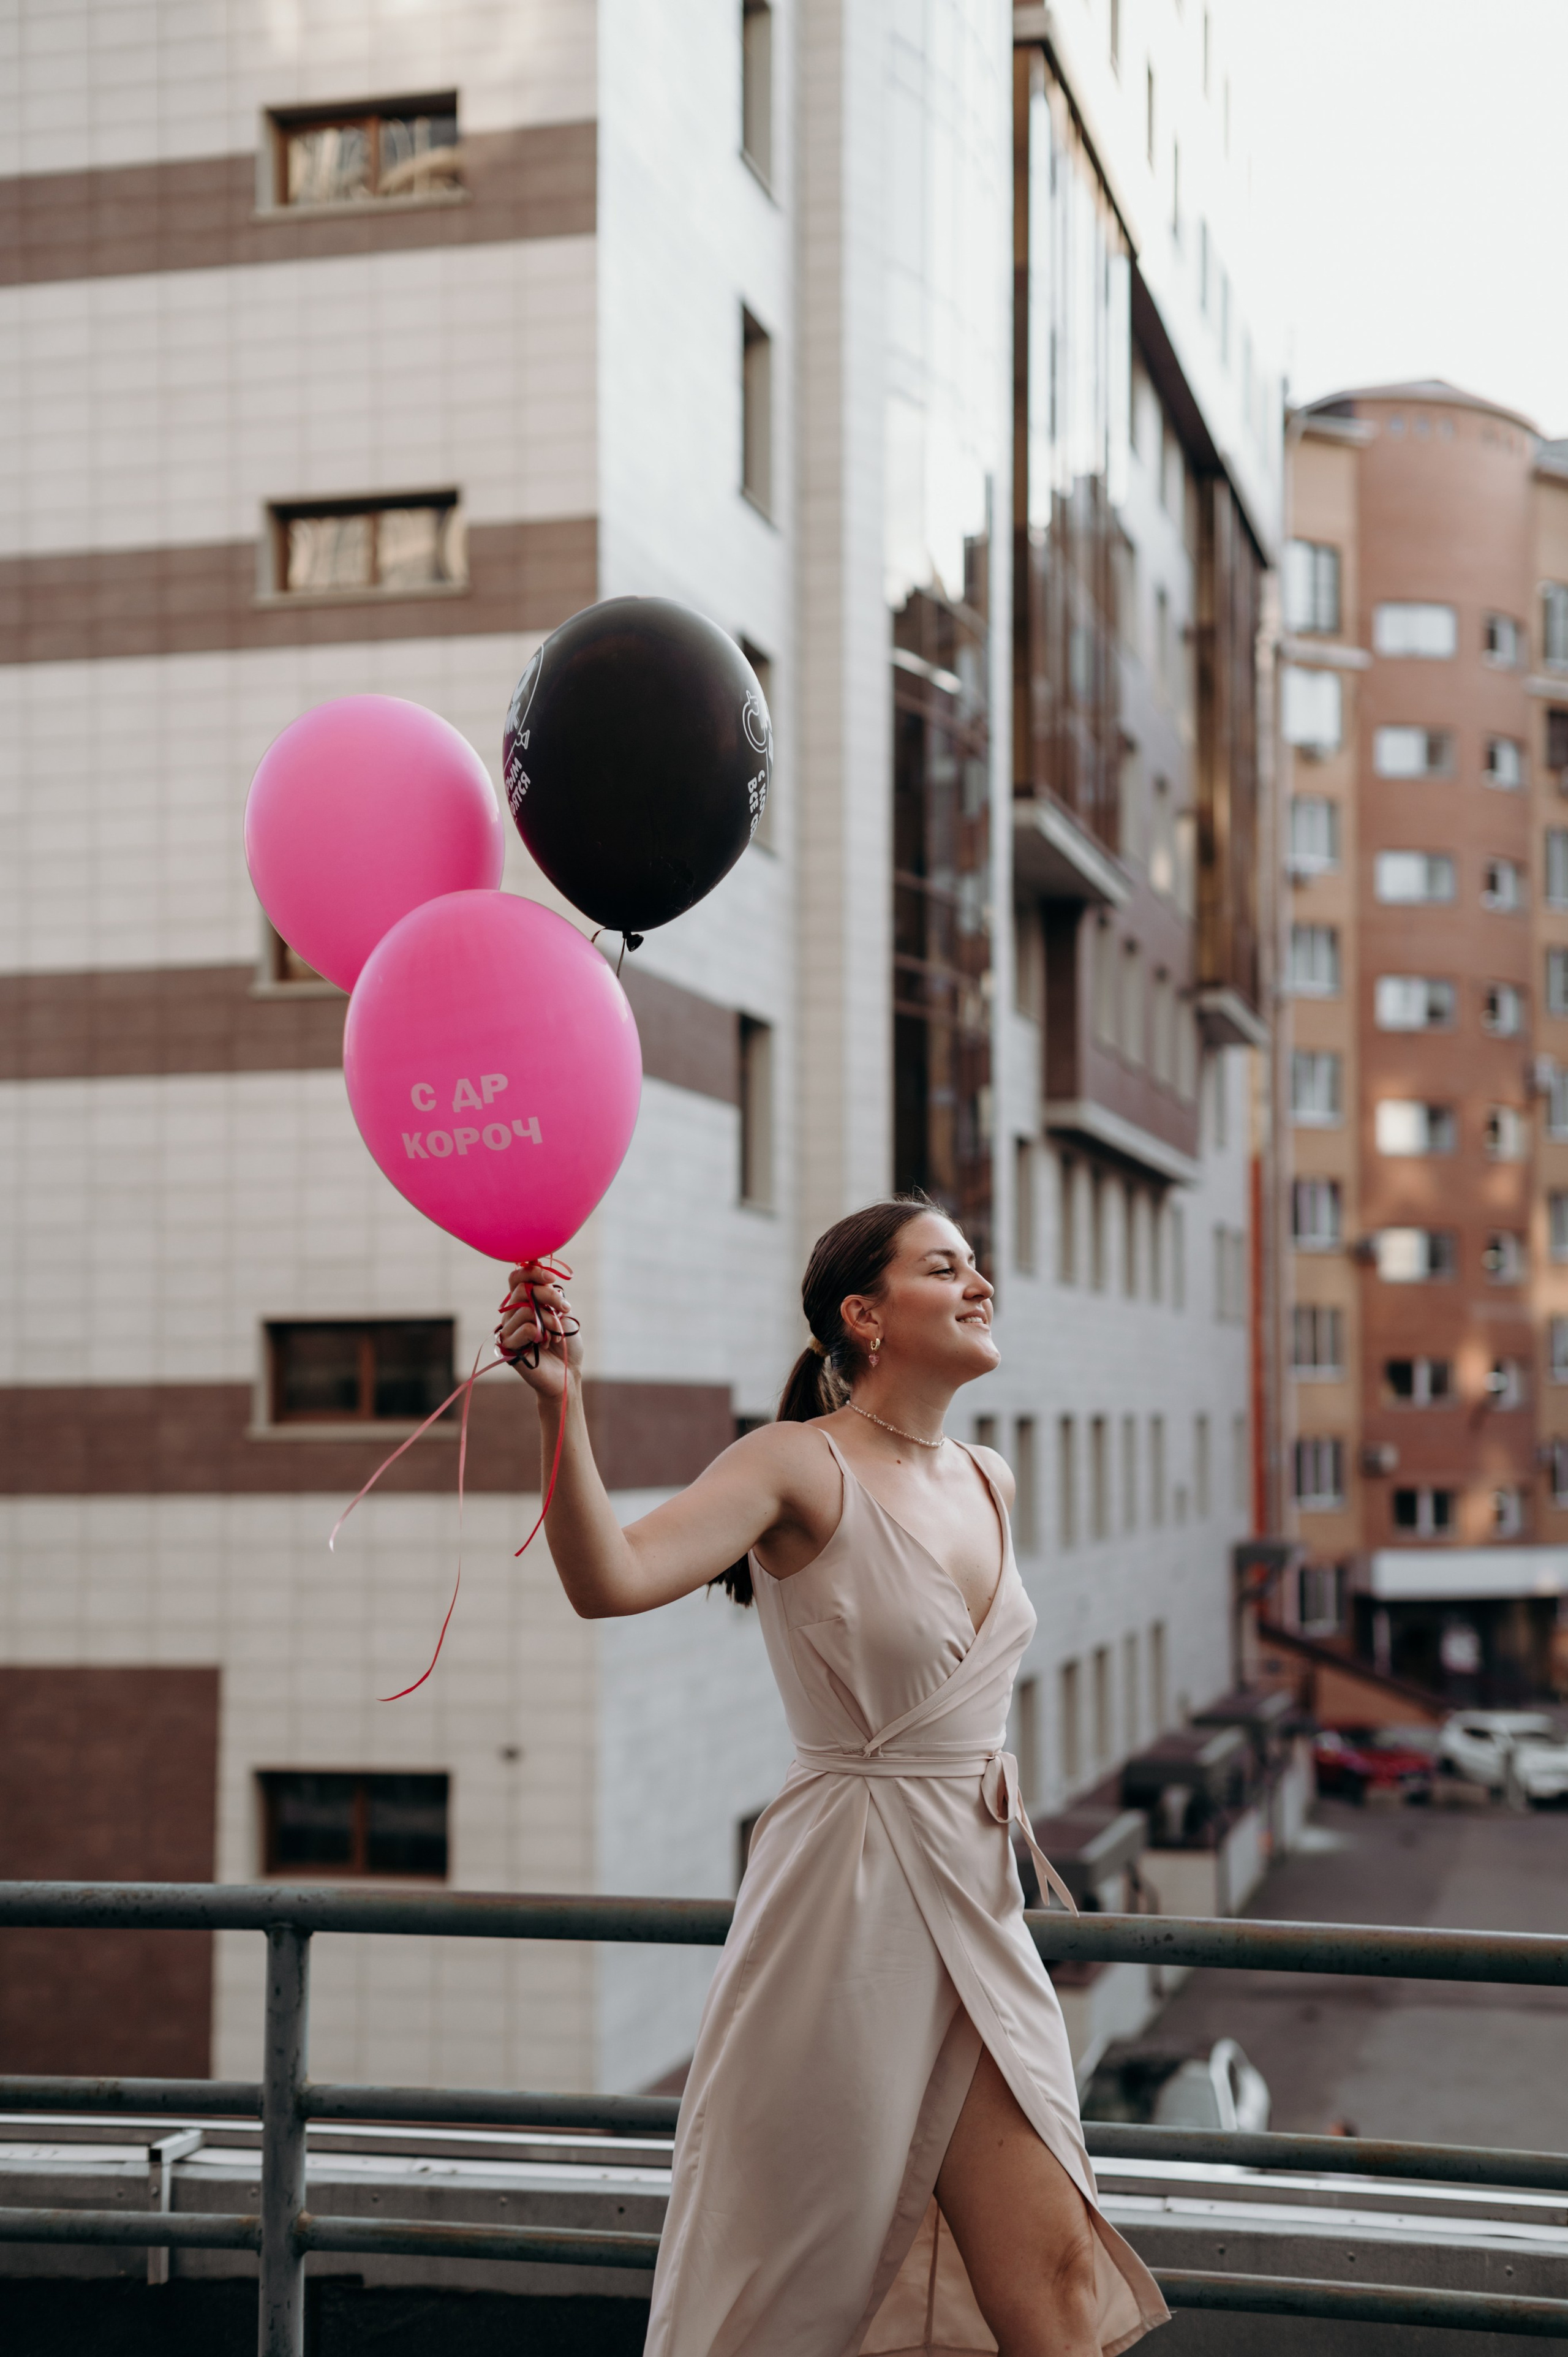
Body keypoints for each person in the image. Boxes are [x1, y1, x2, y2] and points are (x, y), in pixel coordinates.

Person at [499, 1196, 1167, 2357]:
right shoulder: (794, 1464)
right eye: (945, 1267)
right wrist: (561, 1407)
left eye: (976, 1264)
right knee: (791, 2286)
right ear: (865, 1315)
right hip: (847, 1902)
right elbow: (610, 1580)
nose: (980, 1285)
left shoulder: (991, 1477)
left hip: (980, 1900)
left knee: (1060, 2287)